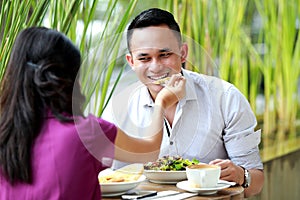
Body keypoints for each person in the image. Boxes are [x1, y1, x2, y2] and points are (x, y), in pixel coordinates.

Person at [0, 27, 185, 200]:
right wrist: (161, 103)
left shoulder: (4, 133)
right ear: (70, 79)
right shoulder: (87, 132)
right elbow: (149, 152)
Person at [102, 8, 264, 197]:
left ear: (183, 52)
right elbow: (107, 177)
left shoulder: (225, 97)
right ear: (131, 61)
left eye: (165, 55)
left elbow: (256, 182)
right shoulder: (118, 108)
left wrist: (241, 175)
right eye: (144, 58)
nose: (155, 67)